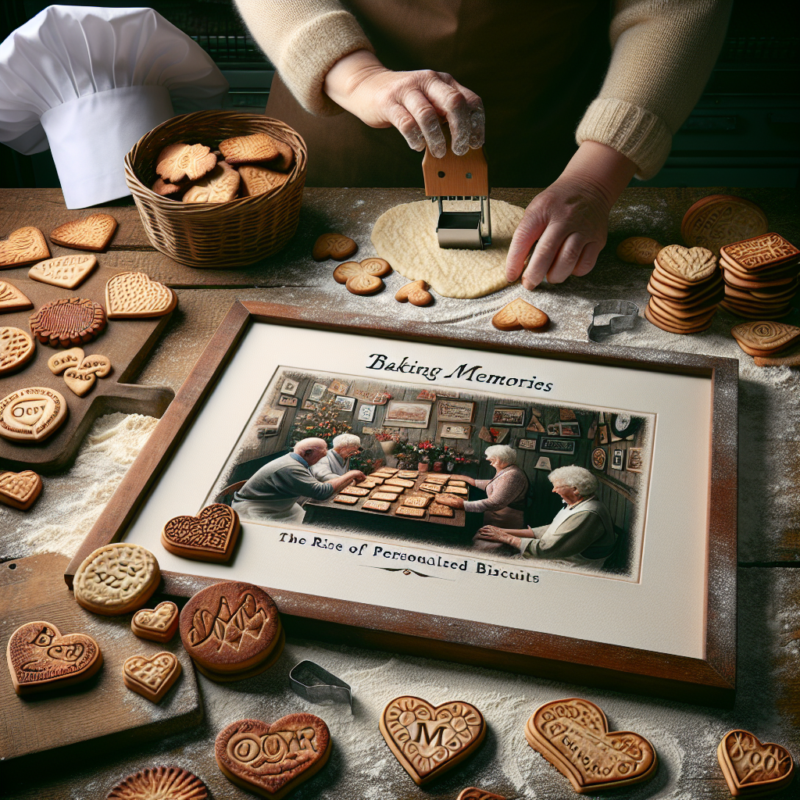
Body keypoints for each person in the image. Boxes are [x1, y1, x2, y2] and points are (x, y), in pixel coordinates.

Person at [235, 0, 731, 285]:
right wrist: (358, 77)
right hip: (340, 114)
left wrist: (595, 181)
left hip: (542, 126)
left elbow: (674, 9)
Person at [476, 465, 616, 567]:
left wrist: (505, 538)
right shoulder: (580, 503)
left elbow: (546, 549)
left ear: (575, 489)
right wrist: (503, 531)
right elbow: (552, 529)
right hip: (558, 557)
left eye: (557, 486)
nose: (553, 490)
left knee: (498, 566)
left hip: (570, 567)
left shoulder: (588, 514)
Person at [232, 437, 365, 524]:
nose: (322, 459)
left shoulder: (294, 459)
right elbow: (321, 492)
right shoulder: (290, 467)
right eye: (321, 456)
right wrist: (350, 474)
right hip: (257, 509)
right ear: (307, 453)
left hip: (282, 505)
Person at [436, 444, 528, 527]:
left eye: (491, 459)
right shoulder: (508, 470)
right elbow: (493, 484)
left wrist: (462, 504)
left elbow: (494, 503)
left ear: (500, 459)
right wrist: (469, 480)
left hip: (505, 521)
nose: (489, 461)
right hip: (495, 517)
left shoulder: (513, 475)